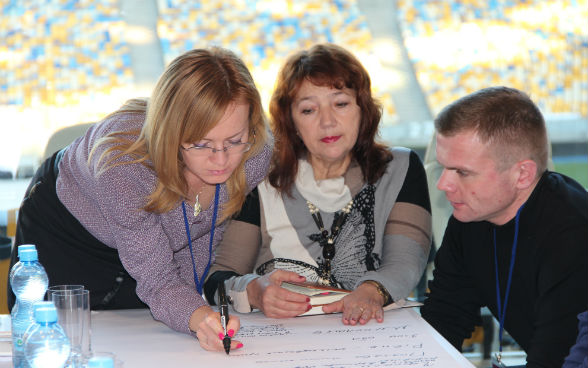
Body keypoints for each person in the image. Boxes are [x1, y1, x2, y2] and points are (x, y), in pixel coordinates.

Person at [8, 47, 272, 352]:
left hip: (146, 240)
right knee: (63, 344)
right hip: (67, 234)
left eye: (234, 140)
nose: (221, 160)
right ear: (171, 133)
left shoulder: (256, 154)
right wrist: (196, 314)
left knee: (154, 343)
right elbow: (158, 280)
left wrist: (197, 315)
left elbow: (199, 231)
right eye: (201, 143)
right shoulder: (123, 168)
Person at [203, 43, 432, 325]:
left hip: (371, 335)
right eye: (309, 110)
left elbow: (406, 262)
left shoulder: (400, 167)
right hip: (281, 339)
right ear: (291, 121)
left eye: (341, 103)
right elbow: (218, 278)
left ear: (363, 108)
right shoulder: (260, 174)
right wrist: (253, 291)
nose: (327, 121)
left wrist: (371, 291)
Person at [420, 86, 588, 367]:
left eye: (462, 172)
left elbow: (557, 360)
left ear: (522, 174)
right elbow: (446, 315)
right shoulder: (471, 215)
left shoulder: (574, 236)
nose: (443, 185)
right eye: (443, 168)